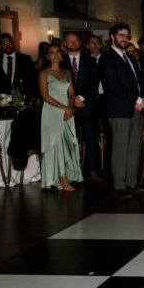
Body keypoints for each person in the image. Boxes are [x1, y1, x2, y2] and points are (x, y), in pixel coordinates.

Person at [100, 23, 144, 197]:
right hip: (119, 109)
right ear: (112, 37)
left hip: (136, 108)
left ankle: (131, 182)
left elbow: (139, 82)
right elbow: (113, 86)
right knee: (120, 148)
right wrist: (136, 99)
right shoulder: (107, 58)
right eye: (121, 35)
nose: (125, 38)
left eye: (127, 36)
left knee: (134, 147)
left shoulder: (130, 58)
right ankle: (119, 185)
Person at [38, 44, 82, 191]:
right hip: (52, 110)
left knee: (68, 141)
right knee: (56, 142)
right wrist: (64, 108)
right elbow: (45, 96)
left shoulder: (67, 72)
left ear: (61, 54)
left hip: (67, 110)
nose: (55, 55)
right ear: (47, 56)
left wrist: (70, 108)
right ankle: (61, 177)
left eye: (57, 52)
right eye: (52, 53)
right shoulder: (44, 73)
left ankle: (66, 174)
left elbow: (71, 93)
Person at [63, 32, 103, 182]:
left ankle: (92, 170)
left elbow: (95, 82)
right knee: (69, 139)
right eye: (69, 41)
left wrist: (81, 97)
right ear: (65, 44)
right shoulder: (61, 61)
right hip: (68, 105)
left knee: (90, 138)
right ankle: (72, 170)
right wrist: (72, 99)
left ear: (79, 42)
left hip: (86, 105)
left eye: (75, 41)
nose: (73, 44)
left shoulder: (90, 60)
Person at [0, 33, 37, 98]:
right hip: (2, 99)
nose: (7, 45)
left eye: (9, 42)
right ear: (0, 46)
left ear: (13, 43)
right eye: (4, 43)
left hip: (22, 97)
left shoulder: (25, 59)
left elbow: (32, 79)